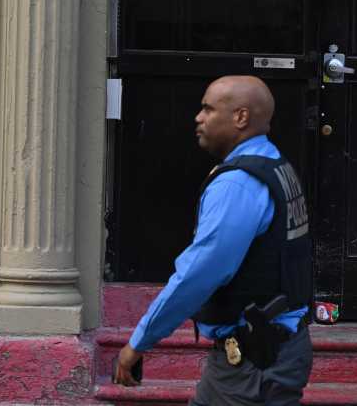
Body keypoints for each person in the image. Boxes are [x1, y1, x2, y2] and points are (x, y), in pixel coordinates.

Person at [113, 75, 314, 406]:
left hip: (254, 365)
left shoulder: (238, 184)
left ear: (240, 117)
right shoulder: (274, 164)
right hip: (265, 355)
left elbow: (199, 274)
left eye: (207, 109)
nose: (198, 117)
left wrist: (139, 342)